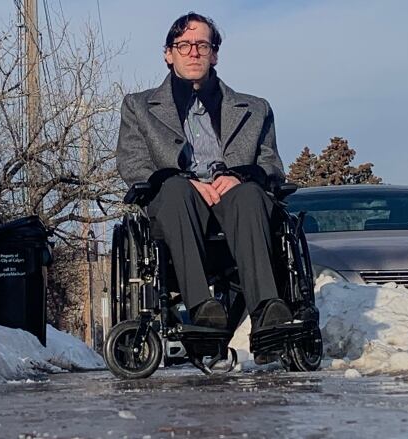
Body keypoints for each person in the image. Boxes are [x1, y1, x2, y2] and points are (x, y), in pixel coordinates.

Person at [115, 12, 292, 362]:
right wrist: (184, 180)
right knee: (178, 191)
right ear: (169, 54)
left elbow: (272, 165)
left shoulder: (255, 109)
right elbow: (132, 164)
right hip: (178, 204)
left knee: (249, 194)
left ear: (214, 54)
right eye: (184, 45)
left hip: (235, 202)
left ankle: (267, 314)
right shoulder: (138, 107)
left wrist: (241, 175)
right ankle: (202, 307)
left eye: (202, 45)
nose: (193, 52)